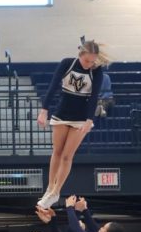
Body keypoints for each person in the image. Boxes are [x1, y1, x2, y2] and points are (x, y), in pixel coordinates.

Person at [36, 39, 110, 208]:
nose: (89, 64)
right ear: (80, 54)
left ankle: (56, 192)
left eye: (92, 61)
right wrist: (44, 109)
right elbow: (53, 86)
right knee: (57, 152)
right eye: (86, 61)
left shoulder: (96, 71)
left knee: (67, 155)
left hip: (81, 118)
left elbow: (94, 97)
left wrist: (89, 120)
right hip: (62, 113)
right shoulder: (67, 63)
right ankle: (49, 189)